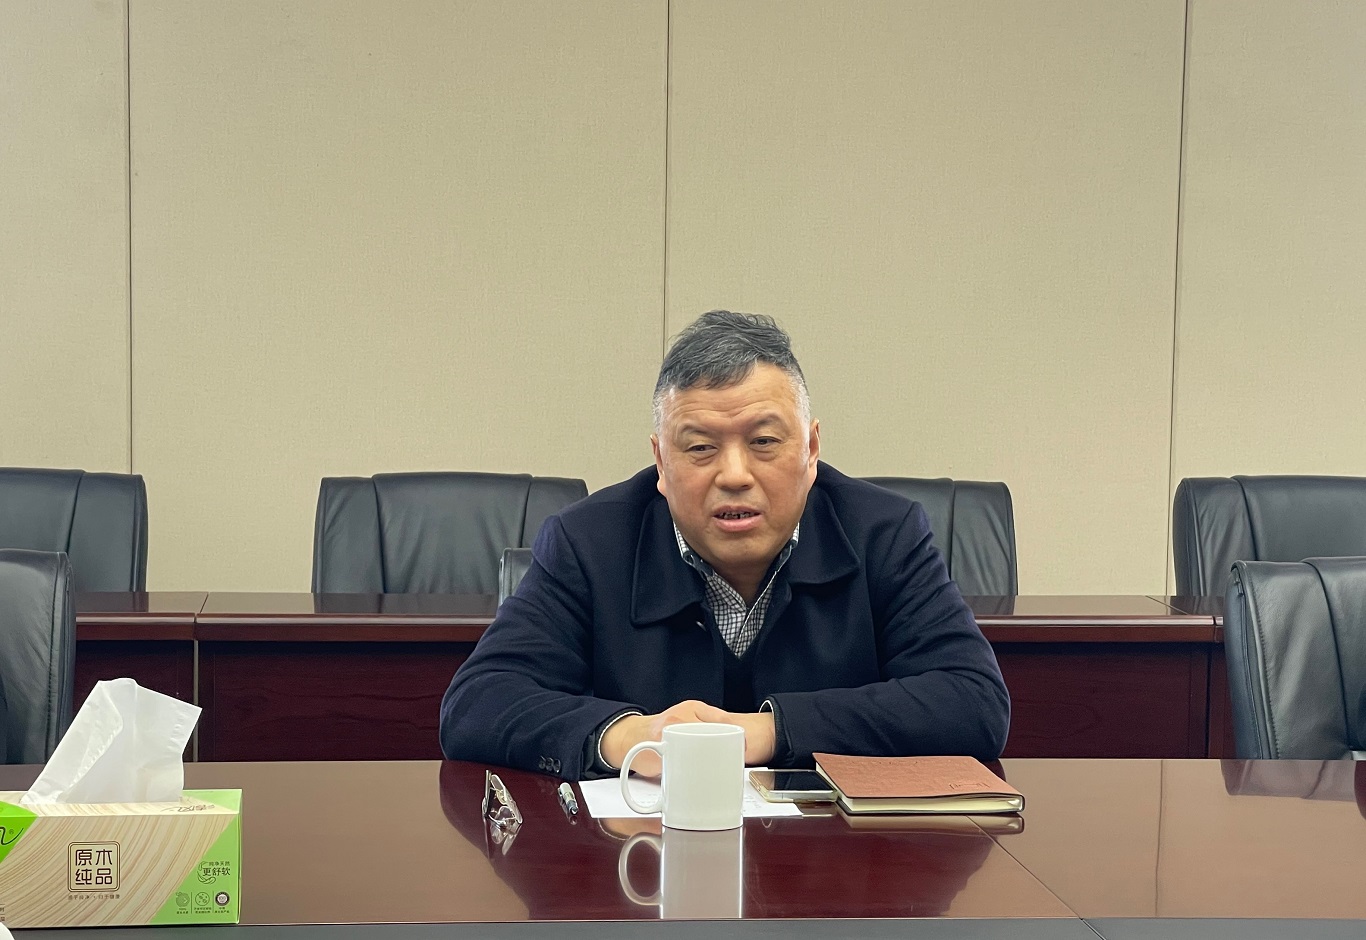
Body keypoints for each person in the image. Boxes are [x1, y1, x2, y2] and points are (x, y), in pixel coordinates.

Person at [440, 311, 1009, 779]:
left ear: (811, 450)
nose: (735, 475)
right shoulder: (588, 543)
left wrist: (765, 731)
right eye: (700, 448)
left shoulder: (885, 533)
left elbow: (972, 700)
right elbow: (477, 703)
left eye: (764, 441)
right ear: (660, 462)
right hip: (641, 864)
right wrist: (631, 736)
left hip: (834, 867)